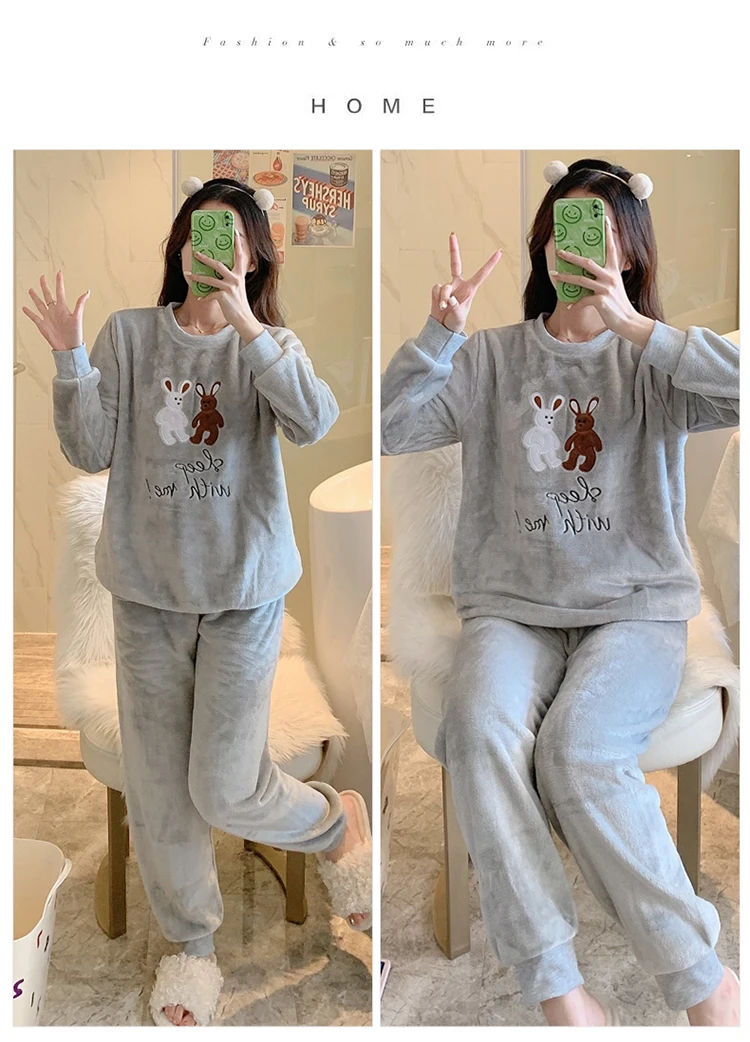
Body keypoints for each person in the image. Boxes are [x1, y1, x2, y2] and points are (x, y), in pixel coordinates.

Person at [381, 158, 739, 1027]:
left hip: (635, 608)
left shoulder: (653, 360)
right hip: (513, 608)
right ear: (543, 247)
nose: (574, 249)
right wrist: (438, 334)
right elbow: (392, 425)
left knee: (579, 751)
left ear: (630, 250)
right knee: (476, 727)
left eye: (599, 234)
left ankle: (707, 984)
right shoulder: (491, 358)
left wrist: (637, 326)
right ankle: (559, 991)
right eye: (561, 232)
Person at [24, 176, 372, 1027]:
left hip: (243, 595)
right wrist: (70, 358)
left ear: (254, 258)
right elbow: (90, 447)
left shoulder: (268, 345)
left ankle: (334, 824)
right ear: (178, 248)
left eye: (229, 241)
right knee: (159, 789)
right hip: (146, 596)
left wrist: (248, 325)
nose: (208, 252)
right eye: (196, 236)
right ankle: (193, 948)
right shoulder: (130, 335)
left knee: (222, 785)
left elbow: (314, 421)